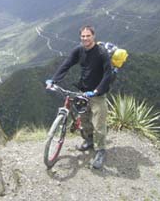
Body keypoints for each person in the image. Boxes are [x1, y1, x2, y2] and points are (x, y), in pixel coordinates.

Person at [46, 25, 114, 169]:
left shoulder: (101, 52)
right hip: (83, 92)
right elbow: (67, 64)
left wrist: (96, 91)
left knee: (98, 125)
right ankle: (89, 141)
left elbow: (108, 74)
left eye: (88, 36)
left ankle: (100, 150)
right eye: (83, 36)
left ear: (93, 36)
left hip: (98, 95)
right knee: (84, 120)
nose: (85, 38)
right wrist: (54, 80)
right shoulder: (79, 50)